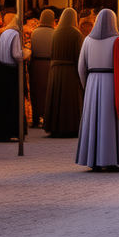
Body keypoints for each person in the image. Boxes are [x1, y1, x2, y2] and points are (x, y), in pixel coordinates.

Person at [76, 9, 119, 171]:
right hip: (112, 82)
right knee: (109, 122)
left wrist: (88, 86)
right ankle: (110, 159)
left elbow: (81, 67)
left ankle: (93, 160)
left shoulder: (88, 40)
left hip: (92, 82)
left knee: (93, 121)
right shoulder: (117, 40)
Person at [44, 7, 84, 138]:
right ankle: (70, 127)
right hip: (70, 72)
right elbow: (79, 55)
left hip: (55, 71)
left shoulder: (55, 32)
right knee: (69, 101)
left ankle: (55, 126)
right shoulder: (76, 34)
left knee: (57, 99)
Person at [0, 13, 23, 142]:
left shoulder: (4, 33)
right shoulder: (15, 34)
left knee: (2, 104)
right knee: (11, 103)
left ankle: (1, 131)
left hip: (1, 70)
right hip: (11, 72)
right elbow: (16, 54)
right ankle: (11, 130)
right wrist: (25, 53)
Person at [29, 8, 56, 128]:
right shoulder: (54, 32)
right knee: (47, 92)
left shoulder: (34, 32)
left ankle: (35, 117)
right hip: (49, 65)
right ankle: (47, 117)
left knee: (36, 92)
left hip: (35, 65)